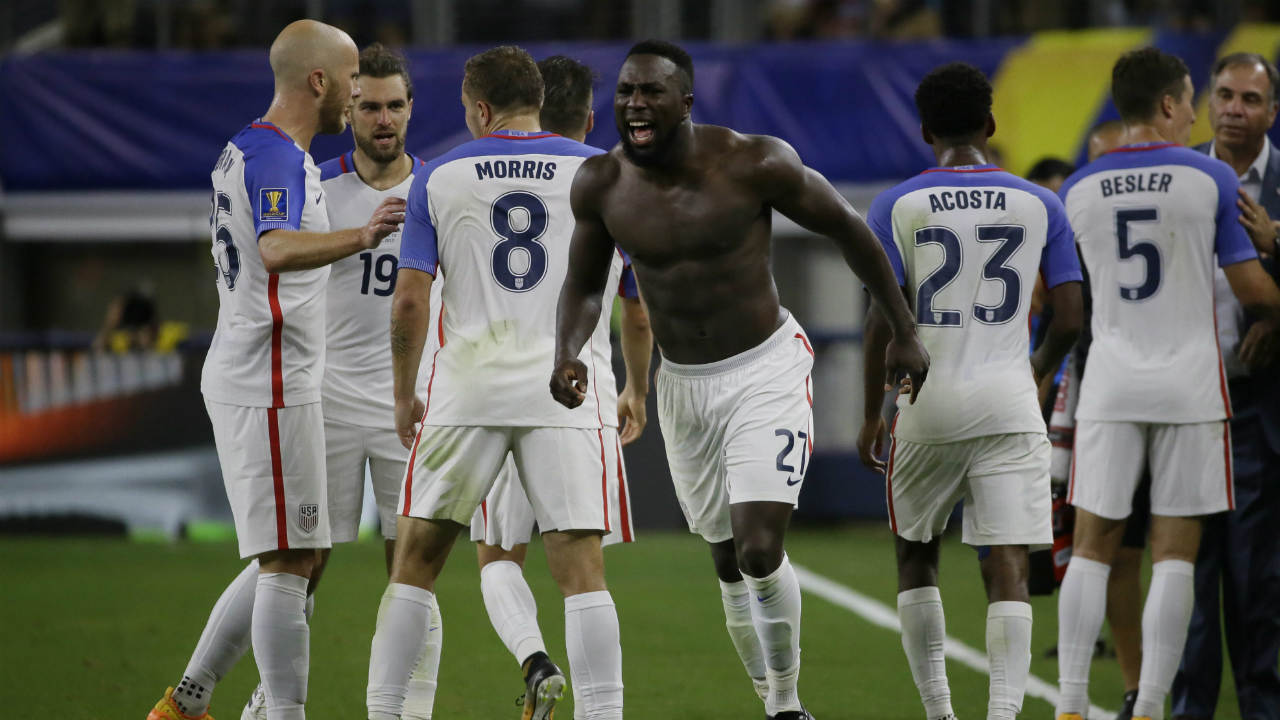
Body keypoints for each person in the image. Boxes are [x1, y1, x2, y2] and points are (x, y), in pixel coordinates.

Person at [552, 39, 930, 720]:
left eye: (651, 93)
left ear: (686, 102)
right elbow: (583, 286)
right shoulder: (601, 184)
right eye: (626, 93)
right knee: (726, 561)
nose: (635, 105)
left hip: (764, 370)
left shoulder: (754, 162)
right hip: (684, 386)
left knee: (759, 549)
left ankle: (786, 705)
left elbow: (849, 231)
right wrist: (569, 349)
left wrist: (904, 329)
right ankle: (771, 695)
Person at [147, 19, 406, 720]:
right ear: (319, 81)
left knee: (299, 553)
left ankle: (189, 700)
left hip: (273, 374)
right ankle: (270, 713)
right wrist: (362, 234)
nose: (357, 96)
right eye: (352, 82)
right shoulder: (278, 162)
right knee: (289, 564)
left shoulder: (248, 148)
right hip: (267, 378)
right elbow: (277, 248)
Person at [366, 46, 624, 720]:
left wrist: (402, 393)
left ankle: (385, 712)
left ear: (479, 108)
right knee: (580, 574)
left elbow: (411, 302)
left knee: (416, 565)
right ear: (537, 100)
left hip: (467, 389)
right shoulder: (598, 172)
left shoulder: (439, 176)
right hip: (561, 387)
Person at [1054, 46, 1280, 720]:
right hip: (1189, 384)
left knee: (1094, 548)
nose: (1198, 114)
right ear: (1169, 104)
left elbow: (1074, 296)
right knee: (1177, 557)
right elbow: (1254, 293)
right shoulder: (1207, 180)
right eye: (1194, 100)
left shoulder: (1080, 187)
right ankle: (1152, 705)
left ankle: (1069, 702)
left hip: (1111, 383)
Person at [858, 62, 1084, 720]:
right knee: (1008, 560)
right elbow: (1069, 316)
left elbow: (882, 314)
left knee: (915, 554)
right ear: (990, 125)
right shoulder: (1041, 202)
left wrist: (875, 411)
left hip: (925, 405)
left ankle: (939, 713)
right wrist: (1036, 374)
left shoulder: (895, 204)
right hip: (1010, 402)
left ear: (924, 129)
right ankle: (1004, 713)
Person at [234, 42, 440, 720]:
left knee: (412, 570)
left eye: (396, 106)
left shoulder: (440, 191)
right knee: (300, 566)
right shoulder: (314, 185)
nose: (384, 119)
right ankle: (271, 699)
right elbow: (269, 264)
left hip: (412, 407)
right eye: (371, 105)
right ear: (348, 107)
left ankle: (410, 710)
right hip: (327, 401)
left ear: (413, 109)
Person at [464, 54, 653, 719]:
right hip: (579, 392)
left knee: (496, 557)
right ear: (592, 118)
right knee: (582, 575)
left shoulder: (469, 177)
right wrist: (637, 388)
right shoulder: (613, 183)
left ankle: (534, 658)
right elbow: (635, 304)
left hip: (491, 391)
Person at [1174, 51, 1280, 720]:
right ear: (1207, 101)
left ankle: (1262, 711)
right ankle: (1188, 710)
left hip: (1257, 409)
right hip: (1182, 407)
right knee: (1187, 579)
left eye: (1251, 99)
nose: (1236, 109)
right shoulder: (1177, 180)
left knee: (1259, 585)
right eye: (1225, 95)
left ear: (1273, 111)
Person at [1048, 118, 1150, 720]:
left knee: (1149, 550)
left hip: (1129, 394)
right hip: (1095, 395)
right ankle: (1107, 693)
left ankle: (1137, 690)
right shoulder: (1070, 219)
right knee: (1107, 547)